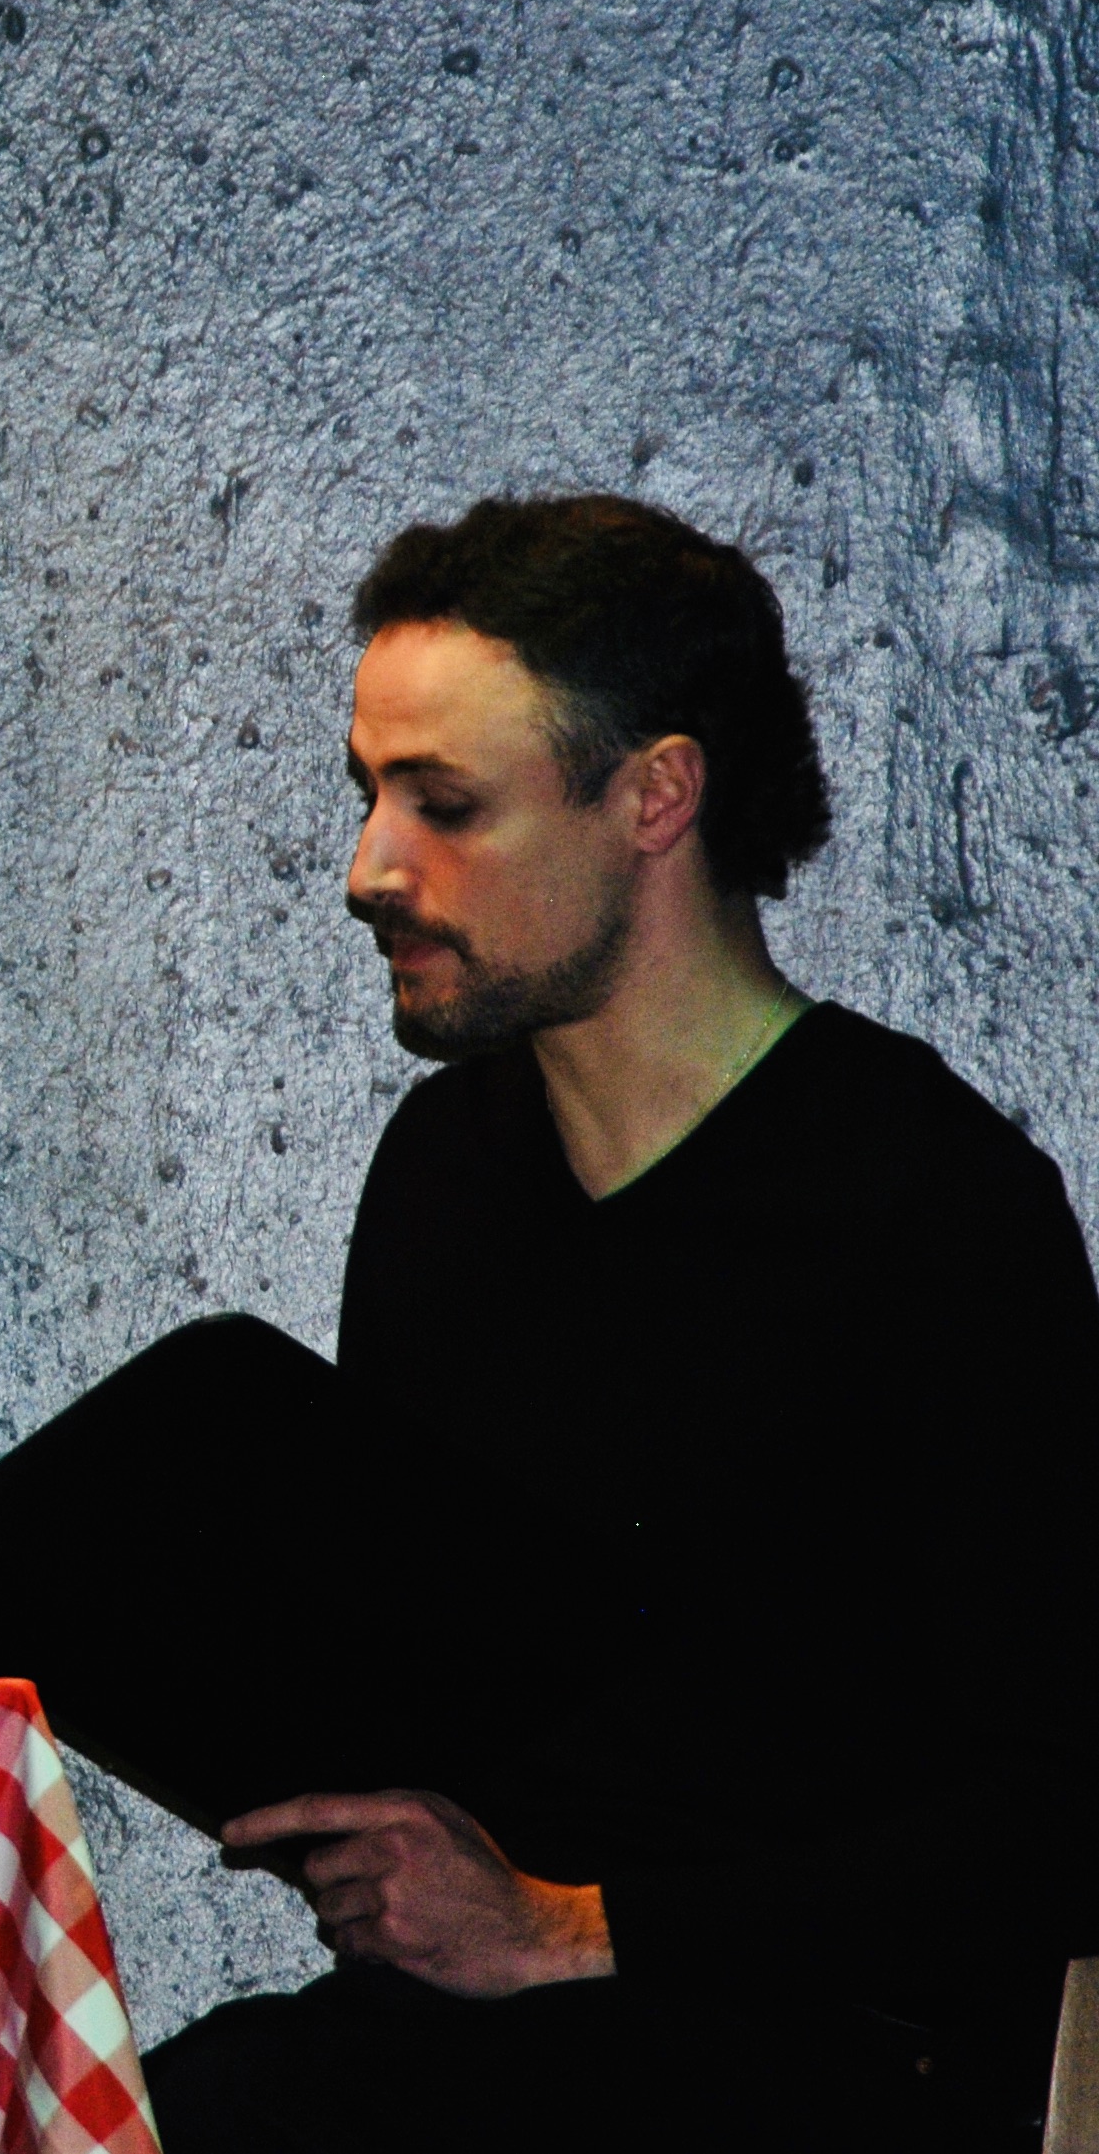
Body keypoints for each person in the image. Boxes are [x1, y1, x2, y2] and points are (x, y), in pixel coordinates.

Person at [143, 495, 1099, 2152]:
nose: (370, 868)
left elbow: (1050, 1815)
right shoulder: (448, 1169)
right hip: (468, 2047)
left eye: (444, 804)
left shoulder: (924, 1205)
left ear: (654, 792)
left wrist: (573, 1928)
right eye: (369, 794)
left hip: (808, 2056)